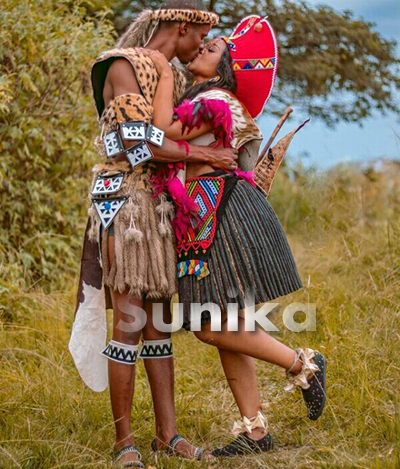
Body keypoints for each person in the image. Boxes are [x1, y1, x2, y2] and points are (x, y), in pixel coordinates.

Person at [144, 14, 327, 457]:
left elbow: (160, 134)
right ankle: (256, 431)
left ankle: (303, 364)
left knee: (208, 325)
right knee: (229, 322)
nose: (201, 50)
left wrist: (163, 70)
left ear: (225, 70)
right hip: (206, 214)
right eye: (205, 45)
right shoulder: (205, 95)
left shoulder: (217, 102)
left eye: (212, 50)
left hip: (221, 213)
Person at [68, 1, 239, 467]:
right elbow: (137, 141)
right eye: (198, 40)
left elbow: (169, 133)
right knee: (128, 322)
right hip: (123, 201)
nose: (201, 48)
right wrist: (198, 153)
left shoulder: (172, 76)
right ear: (181, 27)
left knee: (157, 326)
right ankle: (125, 444)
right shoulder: (121, 64)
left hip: (160, 205)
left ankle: (169, 436)